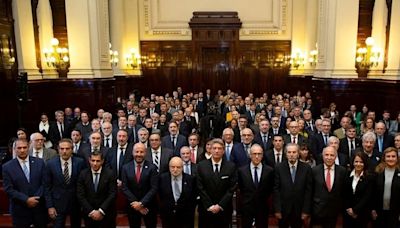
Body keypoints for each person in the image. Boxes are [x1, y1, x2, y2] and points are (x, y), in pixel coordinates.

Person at [2, 139, 47, 227]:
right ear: (14, 149)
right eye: (19, 148)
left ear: (29, 148)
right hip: (19, 209)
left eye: (24, 147)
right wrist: (26, 199)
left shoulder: (40, 162)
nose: (22, 150)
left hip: (38, 208)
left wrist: (36, 198)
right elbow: (8, 189)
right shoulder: (7, 167)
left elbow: (45, 183)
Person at [44, 138, 86, 228]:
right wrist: (50, 206)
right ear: (58, 150)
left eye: (67, 149)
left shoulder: (80, 162)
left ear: (72, 149)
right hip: (57, 204)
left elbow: (84, 184)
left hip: (76, 203)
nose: (64, 151)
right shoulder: (50, 164)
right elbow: (47, 187)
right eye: (62, 149)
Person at [197, 138, 237, 228]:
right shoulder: (201, 166)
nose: (216, 151)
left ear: (223, 151)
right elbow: (200, 187)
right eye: (214, 148)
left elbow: (231, 189)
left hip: (224, 209)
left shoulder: (231, 166)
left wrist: (220, 205)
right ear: (210, 150)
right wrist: (210, 205)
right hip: (206, 209)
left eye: (219, 148)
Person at [273, 143, 313, 228]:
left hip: (299, 209)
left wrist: (306, 211)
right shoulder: (279, 167)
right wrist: (277, 210)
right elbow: (276, 190)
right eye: (289, 152)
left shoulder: (306, 168)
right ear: (285, 154)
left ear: (298, 154)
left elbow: (308, 191)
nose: (291, 155)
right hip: (283, 209)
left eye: (294, 152)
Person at [121, 143, 159, 228]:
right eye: (136, 151)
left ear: (145, 153)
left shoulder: (152, 168)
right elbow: (124, 187)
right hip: (132, 207)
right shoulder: (125, 167)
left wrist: (142, 203)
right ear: (132, 152)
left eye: (141, 152)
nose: (139, 154)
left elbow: (154, 188)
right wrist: (137, 205)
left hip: (149, 207)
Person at [77, 151, 117, 228]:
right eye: (93, 161)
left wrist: (101, 211)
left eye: (98, 161)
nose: (95, 163)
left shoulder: (110, 174)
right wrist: (92, 212)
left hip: (107, 214)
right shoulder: (83, 174)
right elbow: (80, 195)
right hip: (89, 214)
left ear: (102, 161)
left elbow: (112, 194)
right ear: (89, 160)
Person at [238, 144, 274, 228]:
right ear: (250, 155)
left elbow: (270, 189)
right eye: (254, 154)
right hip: (247, 207)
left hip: (263, 207)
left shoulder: (269, 171)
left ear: (262, 155)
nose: (257, 156)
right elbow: (242, 188)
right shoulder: (242, 171)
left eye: (259, 154)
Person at [311, 146, 347, 228]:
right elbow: (311, 191)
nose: (329, 158)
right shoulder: (314, 171)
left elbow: (344, 192)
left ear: (335, 157)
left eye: (332, 155)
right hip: (317, 210)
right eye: (326, 155)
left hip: (334, 211)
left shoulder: (342, 171)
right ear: (322, 156)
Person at [158, 157, 197, 228]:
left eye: (178, 167)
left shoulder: (190, 179)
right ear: (169, 167)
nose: (175, 170)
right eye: (173, 167)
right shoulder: (162, 178)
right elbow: (160, 196)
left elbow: (193, 197)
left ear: (182, 167)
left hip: (186, 217)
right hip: (168, 217)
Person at [371, 147, 400, 228]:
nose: (391, 159)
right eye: (388, 156)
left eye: (393, 156)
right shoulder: (378, 171)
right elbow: (373, 192)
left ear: (397, 158)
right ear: (384, 158)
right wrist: (373, 209)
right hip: (379, 211)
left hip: (395, 212)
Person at [343, 151, 372, 228]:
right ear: (352, 162)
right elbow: (344, 194)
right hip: (347, 213)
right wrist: (349, 209)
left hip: (362, 214)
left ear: (365, 163)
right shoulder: (346, 174)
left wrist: (355, 211)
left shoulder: (369, 177)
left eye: (361, 162)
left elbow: (367, 197)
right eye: (356, 161)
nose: (358, 164)